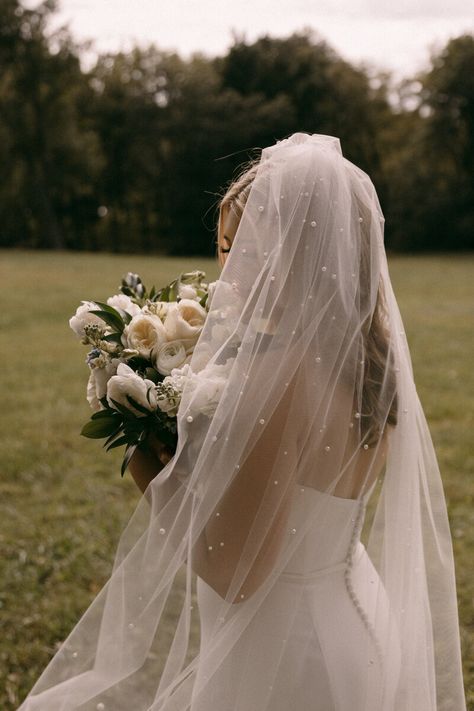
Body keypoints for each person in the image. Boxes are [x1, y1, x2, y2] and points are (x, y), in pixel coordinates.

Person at [17, 132, 466, 710]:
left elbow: (236, 571)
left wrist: (147, 466)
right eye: (225, 246)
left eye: (241, 248)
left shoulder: (282, 379)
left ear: (289, 259)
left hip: (290, 656)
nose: (225, 268)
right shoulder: (367, 360)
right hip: (353, 612)